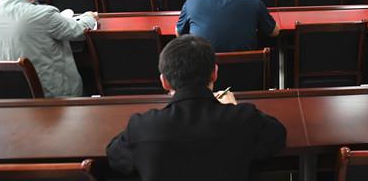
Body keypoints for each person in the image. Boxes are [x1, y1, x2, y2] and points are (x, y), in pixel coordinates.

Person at [107, 35, 287, 181]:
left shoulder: (141, 127)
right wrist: (231, 109)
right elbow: (278, 135)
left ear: (164, 82)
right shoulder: (243, 118)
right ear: (215, 73)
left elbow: (115, 156)